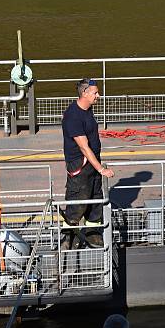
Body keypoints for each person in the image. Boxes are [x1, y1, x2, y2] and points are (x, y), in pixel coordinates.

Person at [61, 78, 114, 249]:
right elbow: (83, 147)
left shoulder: (87, 109)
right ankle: (67, 238)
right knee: (78, 200)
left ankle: (93, 234)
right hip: (80, 164)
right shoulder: (73, 116)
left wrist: (97, 167)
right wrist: (101, 169)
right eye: (95, 93)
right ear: (84, 93)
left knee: (95, 197)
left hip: (92, 161)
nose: (98, 95)